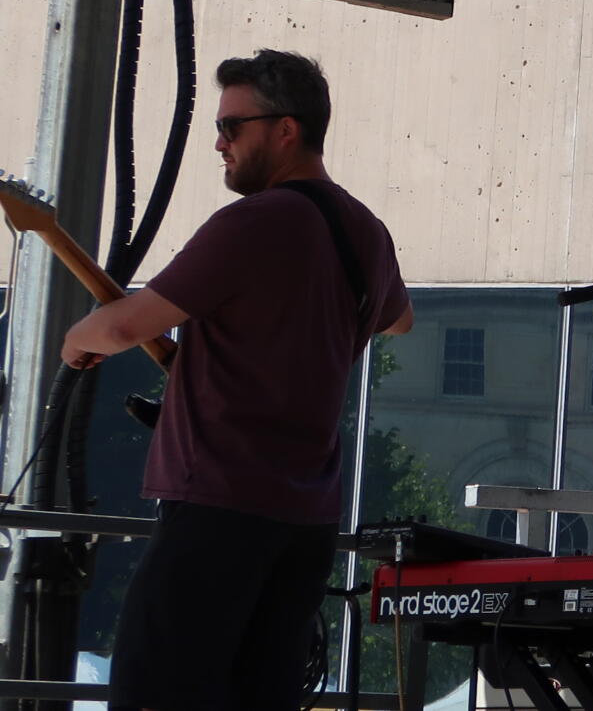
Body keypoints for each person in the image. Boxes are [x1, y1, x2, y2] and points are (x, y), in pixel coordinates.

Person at [66, 49, 412, 711]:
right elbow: (400, 319)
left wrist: (75, 338)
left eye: (232, 126)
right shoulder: (366, 230)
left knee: (155, 692)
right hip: (305, 522)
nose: (219, 143)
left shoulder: (258, 220)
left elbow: (122, 326)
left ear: (285, 130)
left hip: (219, 506)